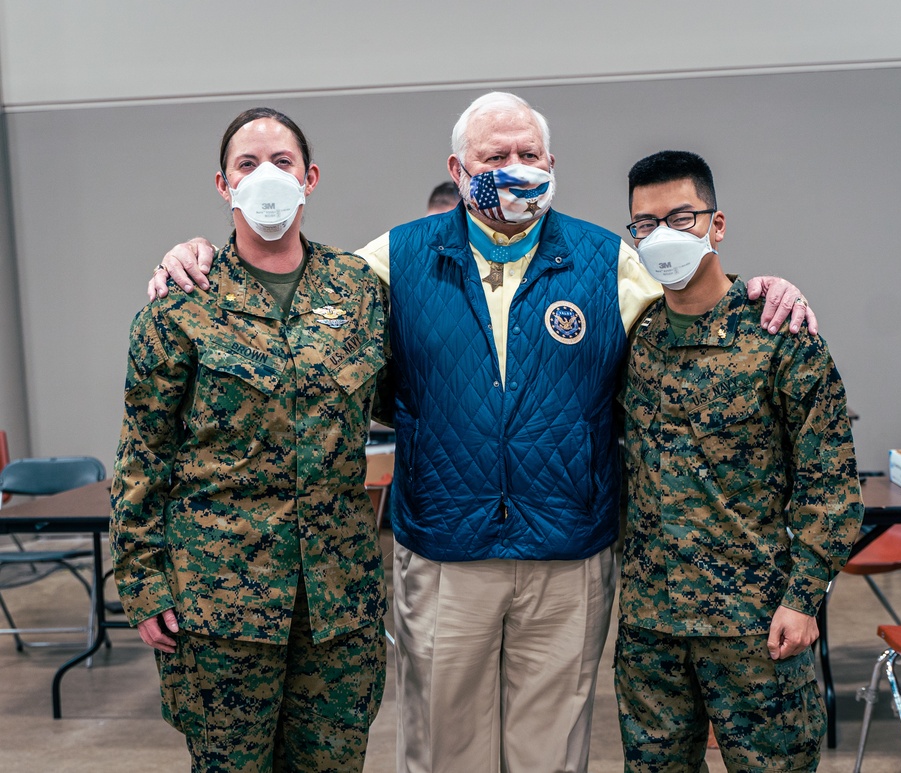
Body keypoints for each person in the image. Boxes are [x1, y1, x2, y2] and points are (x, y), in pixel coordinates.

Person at [147, 92, 817, 773]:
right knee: (445, 752)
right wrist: (198, 251)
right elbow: (291, 280)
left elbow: (696, 294)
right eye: (495, 156)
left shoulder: (605, 259)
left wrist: (763, 288)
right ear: (459, 169)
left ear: (553, 163)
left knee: (550, 755)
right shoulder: (393, 260)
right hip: (445, 555)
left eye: (529, 154)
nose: (515, 167)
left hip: (568, 556)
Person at [111, 107, 388, 773]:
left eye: (282, 162)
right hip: (222, 605)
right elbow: (141, 457)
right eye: (247, 163)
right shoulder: (179, 306)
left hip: (338, 602)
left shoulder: (358, 293)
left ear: (310, 178)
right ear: (223, 184)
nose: (266, 176)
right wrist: (144, 586)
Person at [615, 150, 862, 772]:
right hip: (652, 627)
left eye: (681, 217)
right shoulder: (633, 339)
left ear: (716, 225)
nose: (663, 236)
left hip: (757, 625)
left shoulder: (780, 337)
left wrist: (805, 597)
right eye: (644, 224)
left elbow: (829, 483)